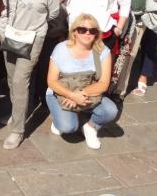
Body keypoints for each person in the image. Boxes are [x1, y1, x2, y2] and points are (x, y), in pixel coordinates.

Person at [0, 0, 60, 149]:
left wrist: (33, 23)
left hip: (32, 38)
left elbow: (53, 12)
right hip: (9, 34)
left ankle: (18, 130)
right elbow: (7, 5)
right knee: (11, 79)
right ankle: (18, 114)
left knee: (20, 80)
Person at [46, 14, 118, 150]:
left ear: (97, 34)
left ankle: (90, 127)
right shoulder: (61, 49)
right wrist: (72, 95)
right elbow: (52, 81)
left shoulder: (102, 51)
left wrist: (79, 94)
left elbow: (103, 83)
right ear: (74, 32)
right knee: (68, 127)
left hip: (87, 92)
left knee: (110, 111)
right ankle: (59, 119)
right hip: (60, 93)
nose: (87, 33)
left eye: (92, 30)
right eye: (82, 30)